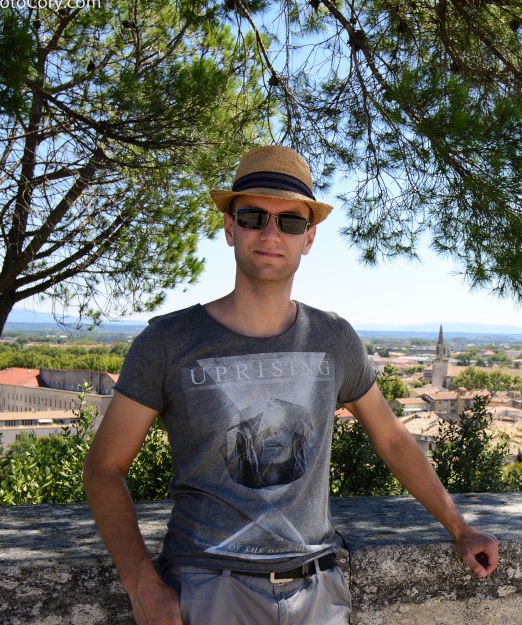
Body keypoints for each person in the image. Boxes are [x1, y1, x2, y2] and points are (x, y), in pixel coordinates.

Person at [83, 145, 500, 625]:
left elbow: (392, 439)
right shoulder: (168, 341)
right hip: (208, 590)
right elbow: (104, 466)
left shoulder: (333, 338)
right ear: (229, 227)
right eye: (253, 217)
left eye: (290, 221)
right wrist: (141, 585)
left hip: (317, 592)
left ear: (309, 237)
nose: (270, 233)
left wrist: (459, 527)